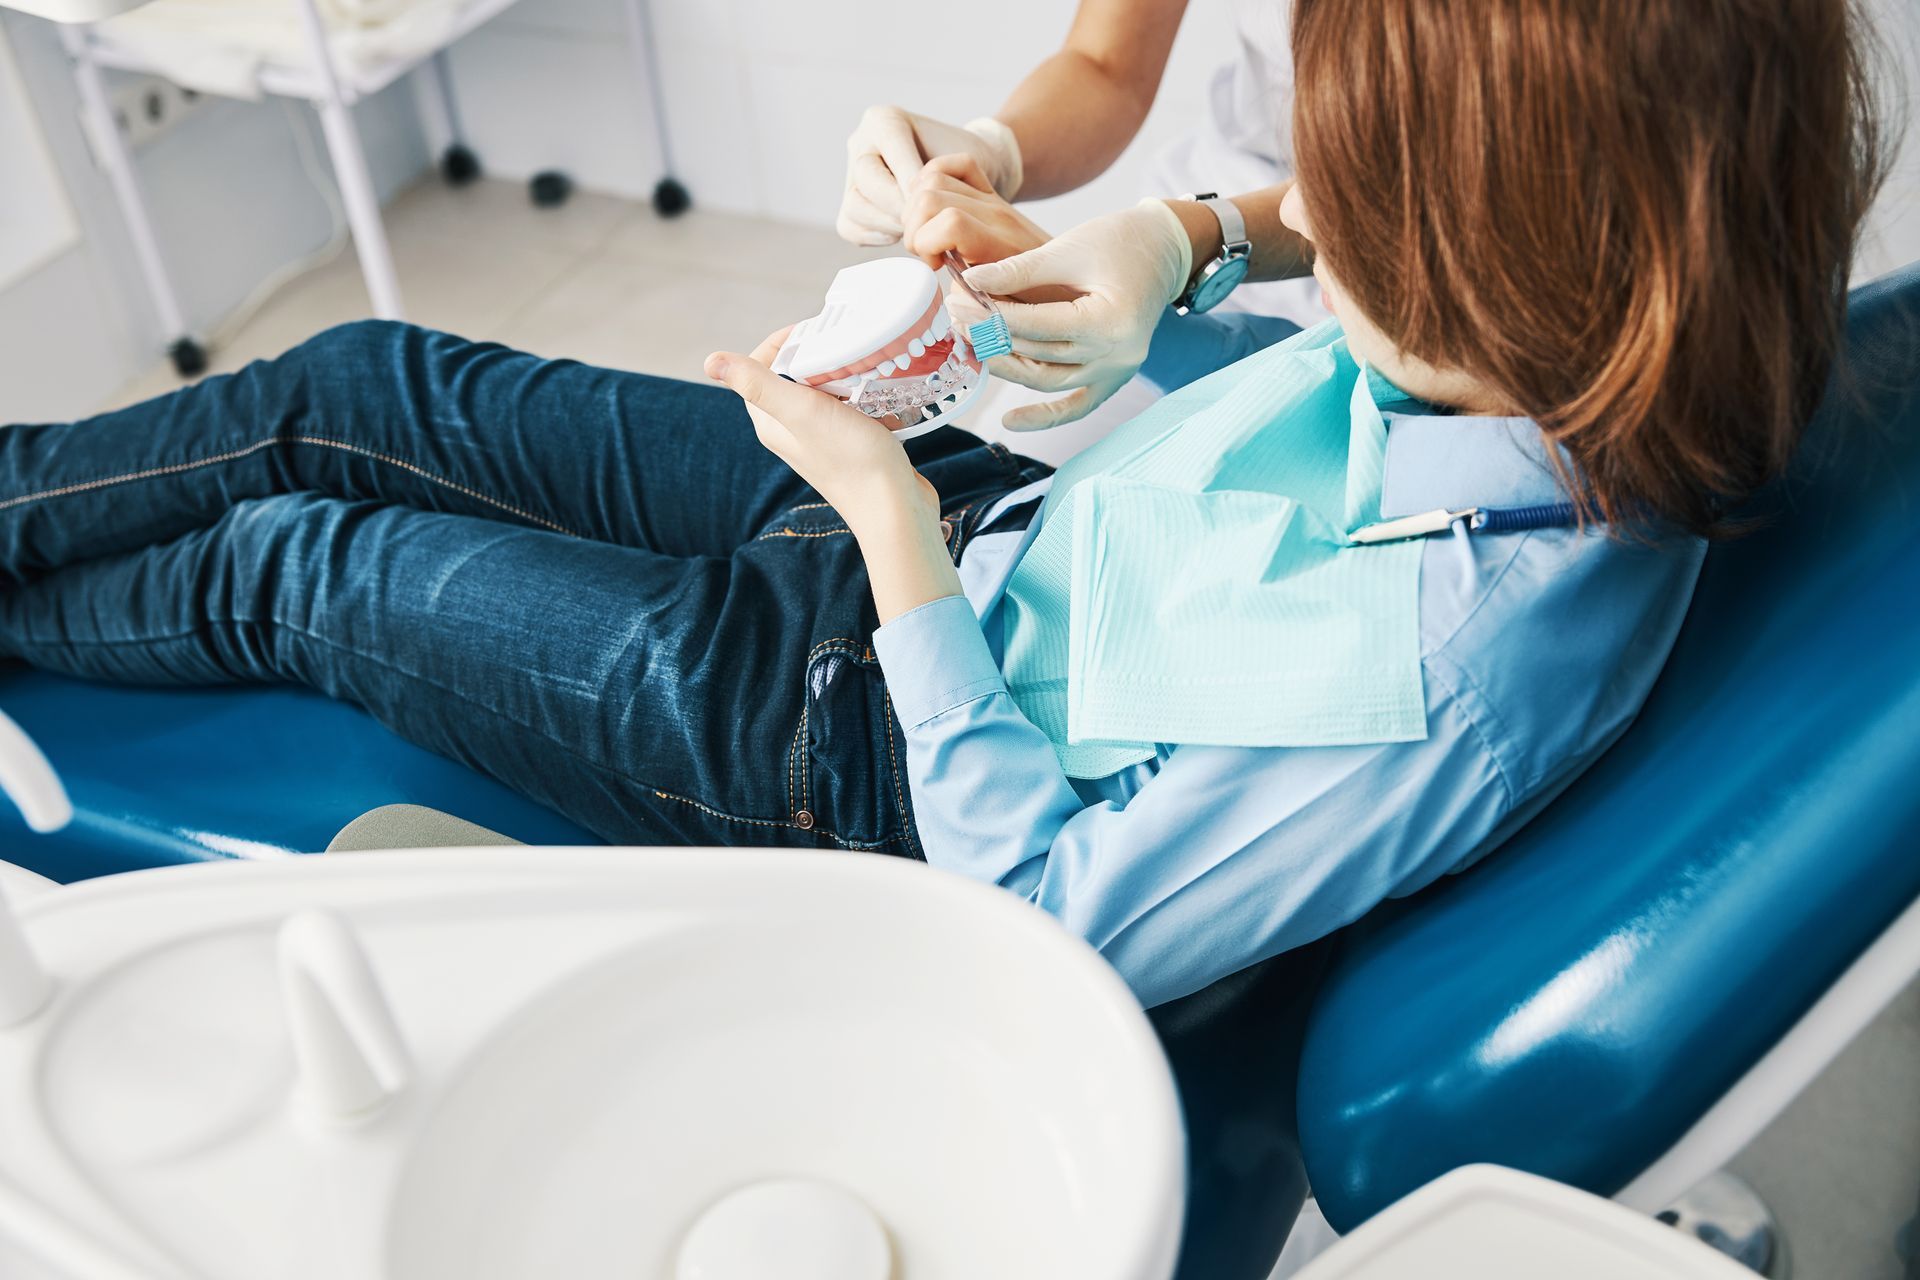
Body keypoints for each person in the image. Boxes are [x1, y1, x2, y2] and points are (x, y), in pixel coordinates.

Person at [0, 0, 1883, 1010]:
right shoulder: (1601, 338)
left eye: (1353, 193)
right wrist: (1157, 259)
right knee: (368, 382)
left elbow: (1043, 922)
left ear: (1511, 250)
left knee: (303, 566)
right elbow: (1242, 470)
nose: (1302, 196)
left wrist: (892, 533)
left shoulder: (1454, 656)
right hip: (984, 537)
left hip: (852, 755)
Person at [837, 0, 1325, 430]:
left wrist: (1183, 239)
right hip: (1208, 206)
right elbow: (1105, 63)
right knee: (1029, 479)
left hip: (1357, 286)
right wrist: (998, 147)